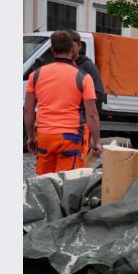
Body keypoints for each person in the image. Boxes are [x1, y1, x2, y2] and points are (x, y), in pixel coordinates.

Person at [24, 31, 102, 175]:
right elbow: (91, 114)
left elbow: (28, 110)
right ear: (72, 49)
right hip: (71, 137)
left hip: (45, 136)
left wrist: (31, 137)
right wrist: (96, 141)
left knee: (45, 183)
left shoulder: (35, 75)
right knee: (67, 183)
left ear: (52, 49)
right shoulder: (83, 77)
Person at [66, 30, 105, 163]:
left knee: (79, 164)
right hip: (63, 124)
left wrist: (95, 137)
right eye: (67, 45)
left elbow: (99, 95)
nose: (70, 48)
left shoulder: (87, 66)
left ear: (79, 46)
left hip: (81, 124)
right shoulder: (59, 65)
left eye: (73, 45)